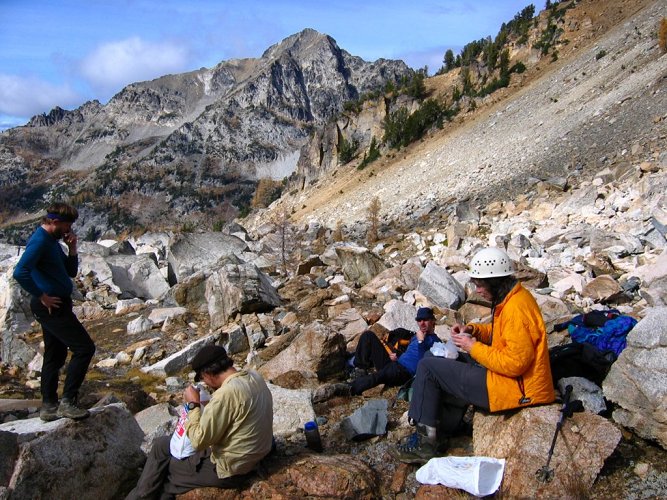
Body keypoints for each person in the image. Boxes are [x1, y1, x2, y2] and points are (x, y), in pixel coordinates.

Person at [395, 247, 555, 463]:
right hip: (510, 382)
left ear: (496, 281)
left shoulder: (516, 309)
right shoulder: (512, 299)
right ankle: (443, 429)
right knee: (443, 361)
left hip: (515, 388)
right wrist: (474, 331)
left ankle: (426, 443)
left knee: (428, 367)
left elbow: (516, 363)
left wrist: (473, 347)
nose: (477, 290)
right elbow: (504, 336)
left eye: (481, 285)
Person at [127, 345, 273, 500]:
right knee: (160, 445)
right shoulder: (254, 377)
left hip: (230, 469)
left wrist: (193, 405)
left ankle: (139, 496)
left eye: (203, 378)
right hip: (253, 454)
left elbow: (197, 440)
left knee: (165, 472)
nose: (205, 383)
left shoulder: (226, 394)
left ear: (208, 374)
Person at [12, 202, 95, 421]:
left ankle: (49, 405)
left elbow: (70, 271)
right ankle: (68, 401)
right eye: (67, 225)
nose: (69, 229)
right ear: (55, 222)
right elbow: (20, 272)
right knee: (84, 348)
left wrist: (73, 248)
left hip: (58, 303)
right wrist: (41, 295)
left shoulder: (52, 242)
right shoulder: (39, 242)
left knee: (55, 354)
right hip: (51, 305)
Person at [348, 307, 441, 395]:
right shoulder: (416, 336)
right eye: (419, 320)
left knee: (378, 376)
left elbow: (423, 364)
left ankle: (348, 389)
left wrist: (421, 342)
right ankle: (360, 370)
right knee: (368, 335)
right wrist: (397, 357)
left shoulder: (435, 342)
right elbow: (409, 353)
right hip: (395, 363)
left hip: (404, 372)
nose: (422, 323)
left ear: (432, 321)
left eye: (425, 320)